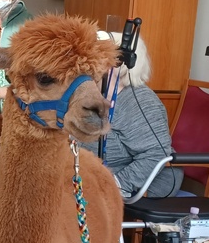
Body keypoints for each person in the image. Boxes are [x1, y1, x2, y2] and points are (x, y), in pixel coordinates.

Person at [79, 33, 184, 198]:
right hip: (91, 178)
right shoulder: (95, 94)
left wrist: (115, 184)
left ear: (120, 62)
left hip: (143, 184)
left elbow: (156, 153)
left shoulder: (141, 101)